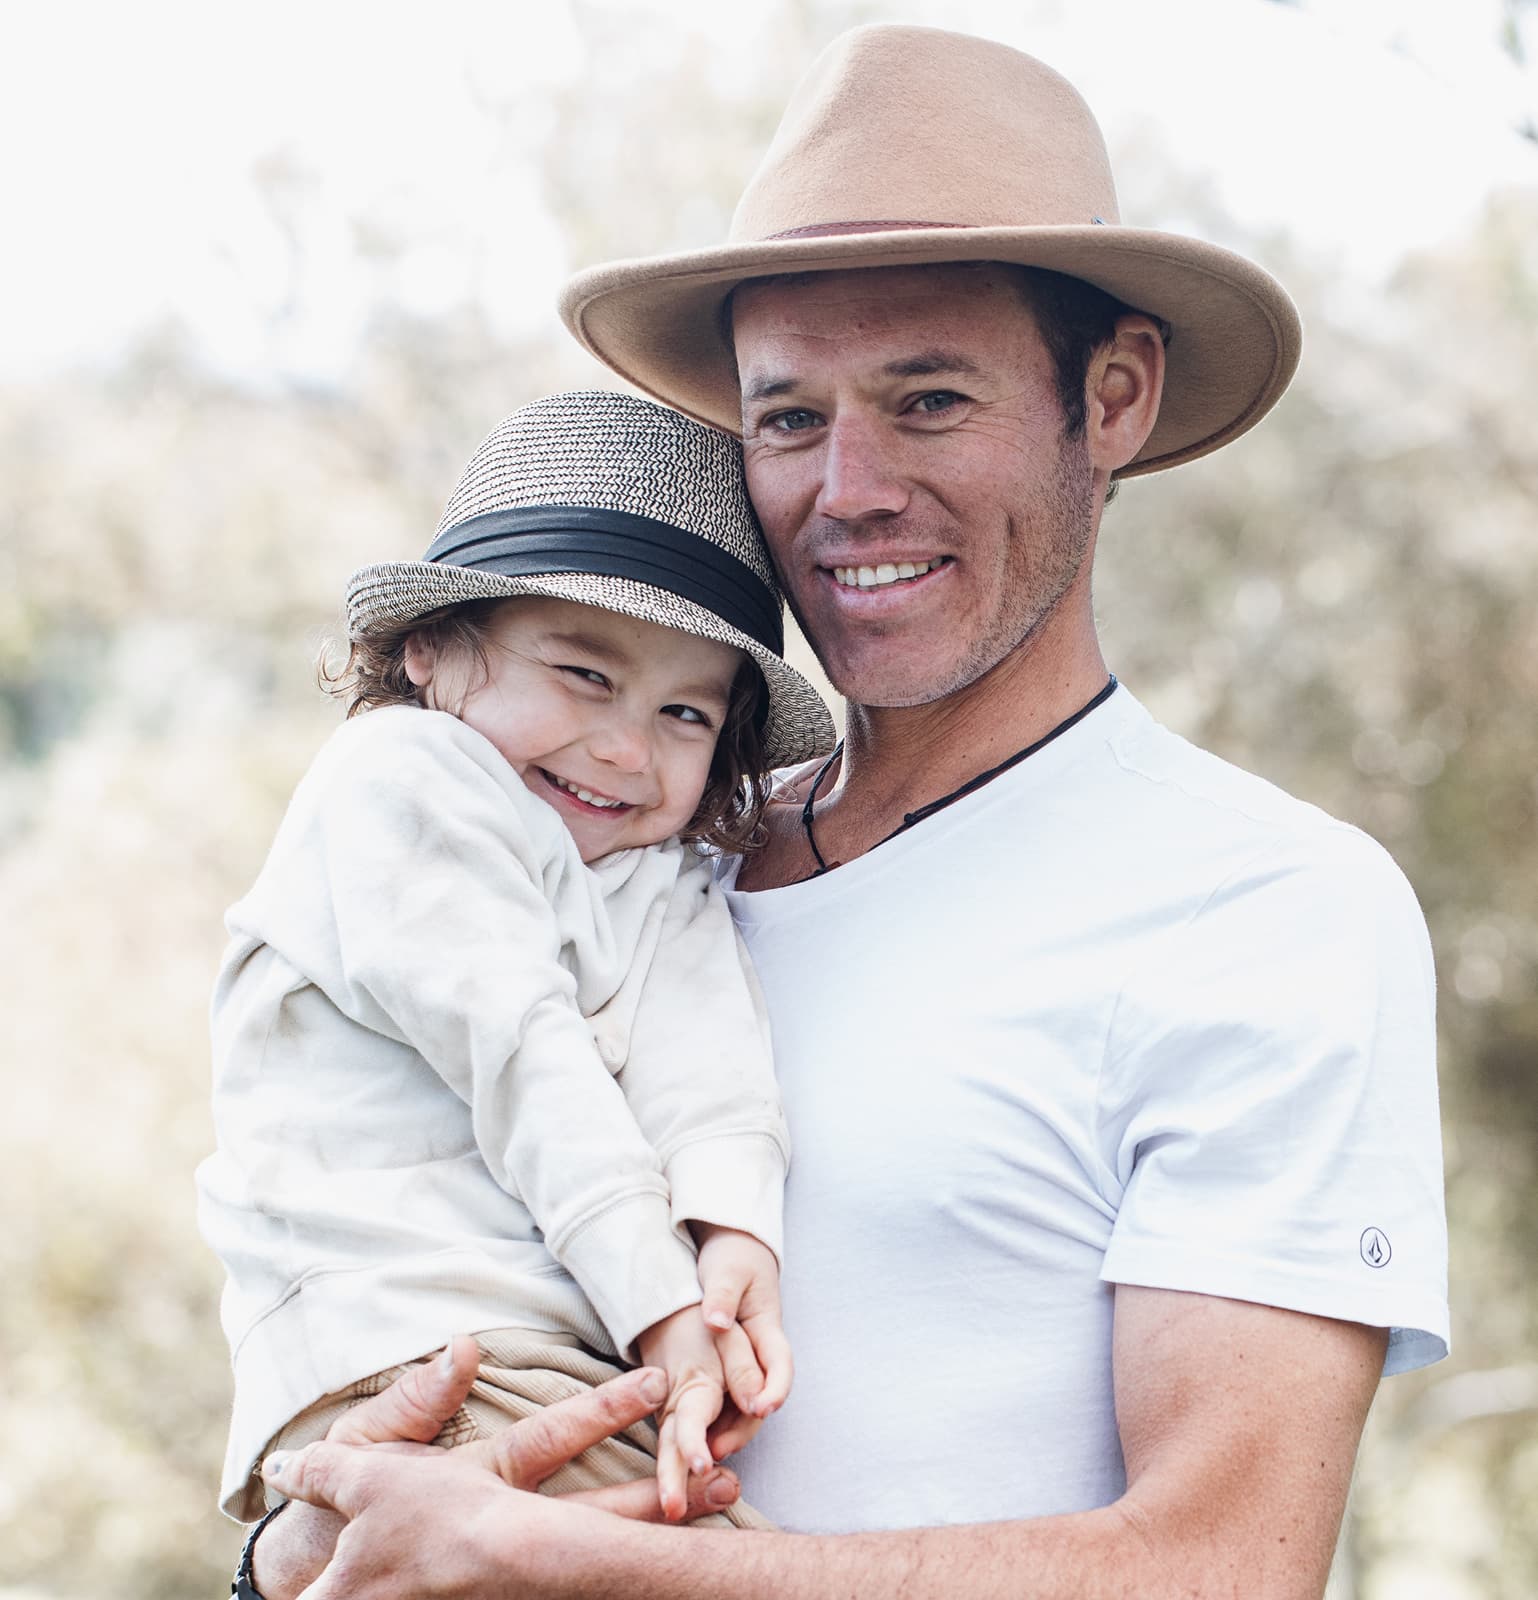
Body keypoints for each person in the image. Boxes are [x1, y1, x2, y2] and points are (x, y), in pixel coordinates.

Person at [251, 24, 1449, 1599]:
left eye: (929, 398)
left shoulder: (1264, 906)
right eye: (788, 416)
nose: (848, 487)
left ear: (1114, 396)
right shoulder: (618, 837)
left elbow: (1224, 1564)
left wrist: (563, 1562)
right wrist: (302, 1553)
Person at [196, 389, 839, 1560]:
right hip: (406, 1340)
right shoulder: (398, 782)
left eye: (684, 711)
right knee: (737, 1573)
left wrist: (733, 1232)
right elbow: (521, 1054)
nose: (623, 747)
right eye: (584, 675)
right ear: (429, 650)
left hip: (548, 1360)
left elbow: (709, 1059)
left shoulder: (655, 866)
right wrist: (661, 1313)